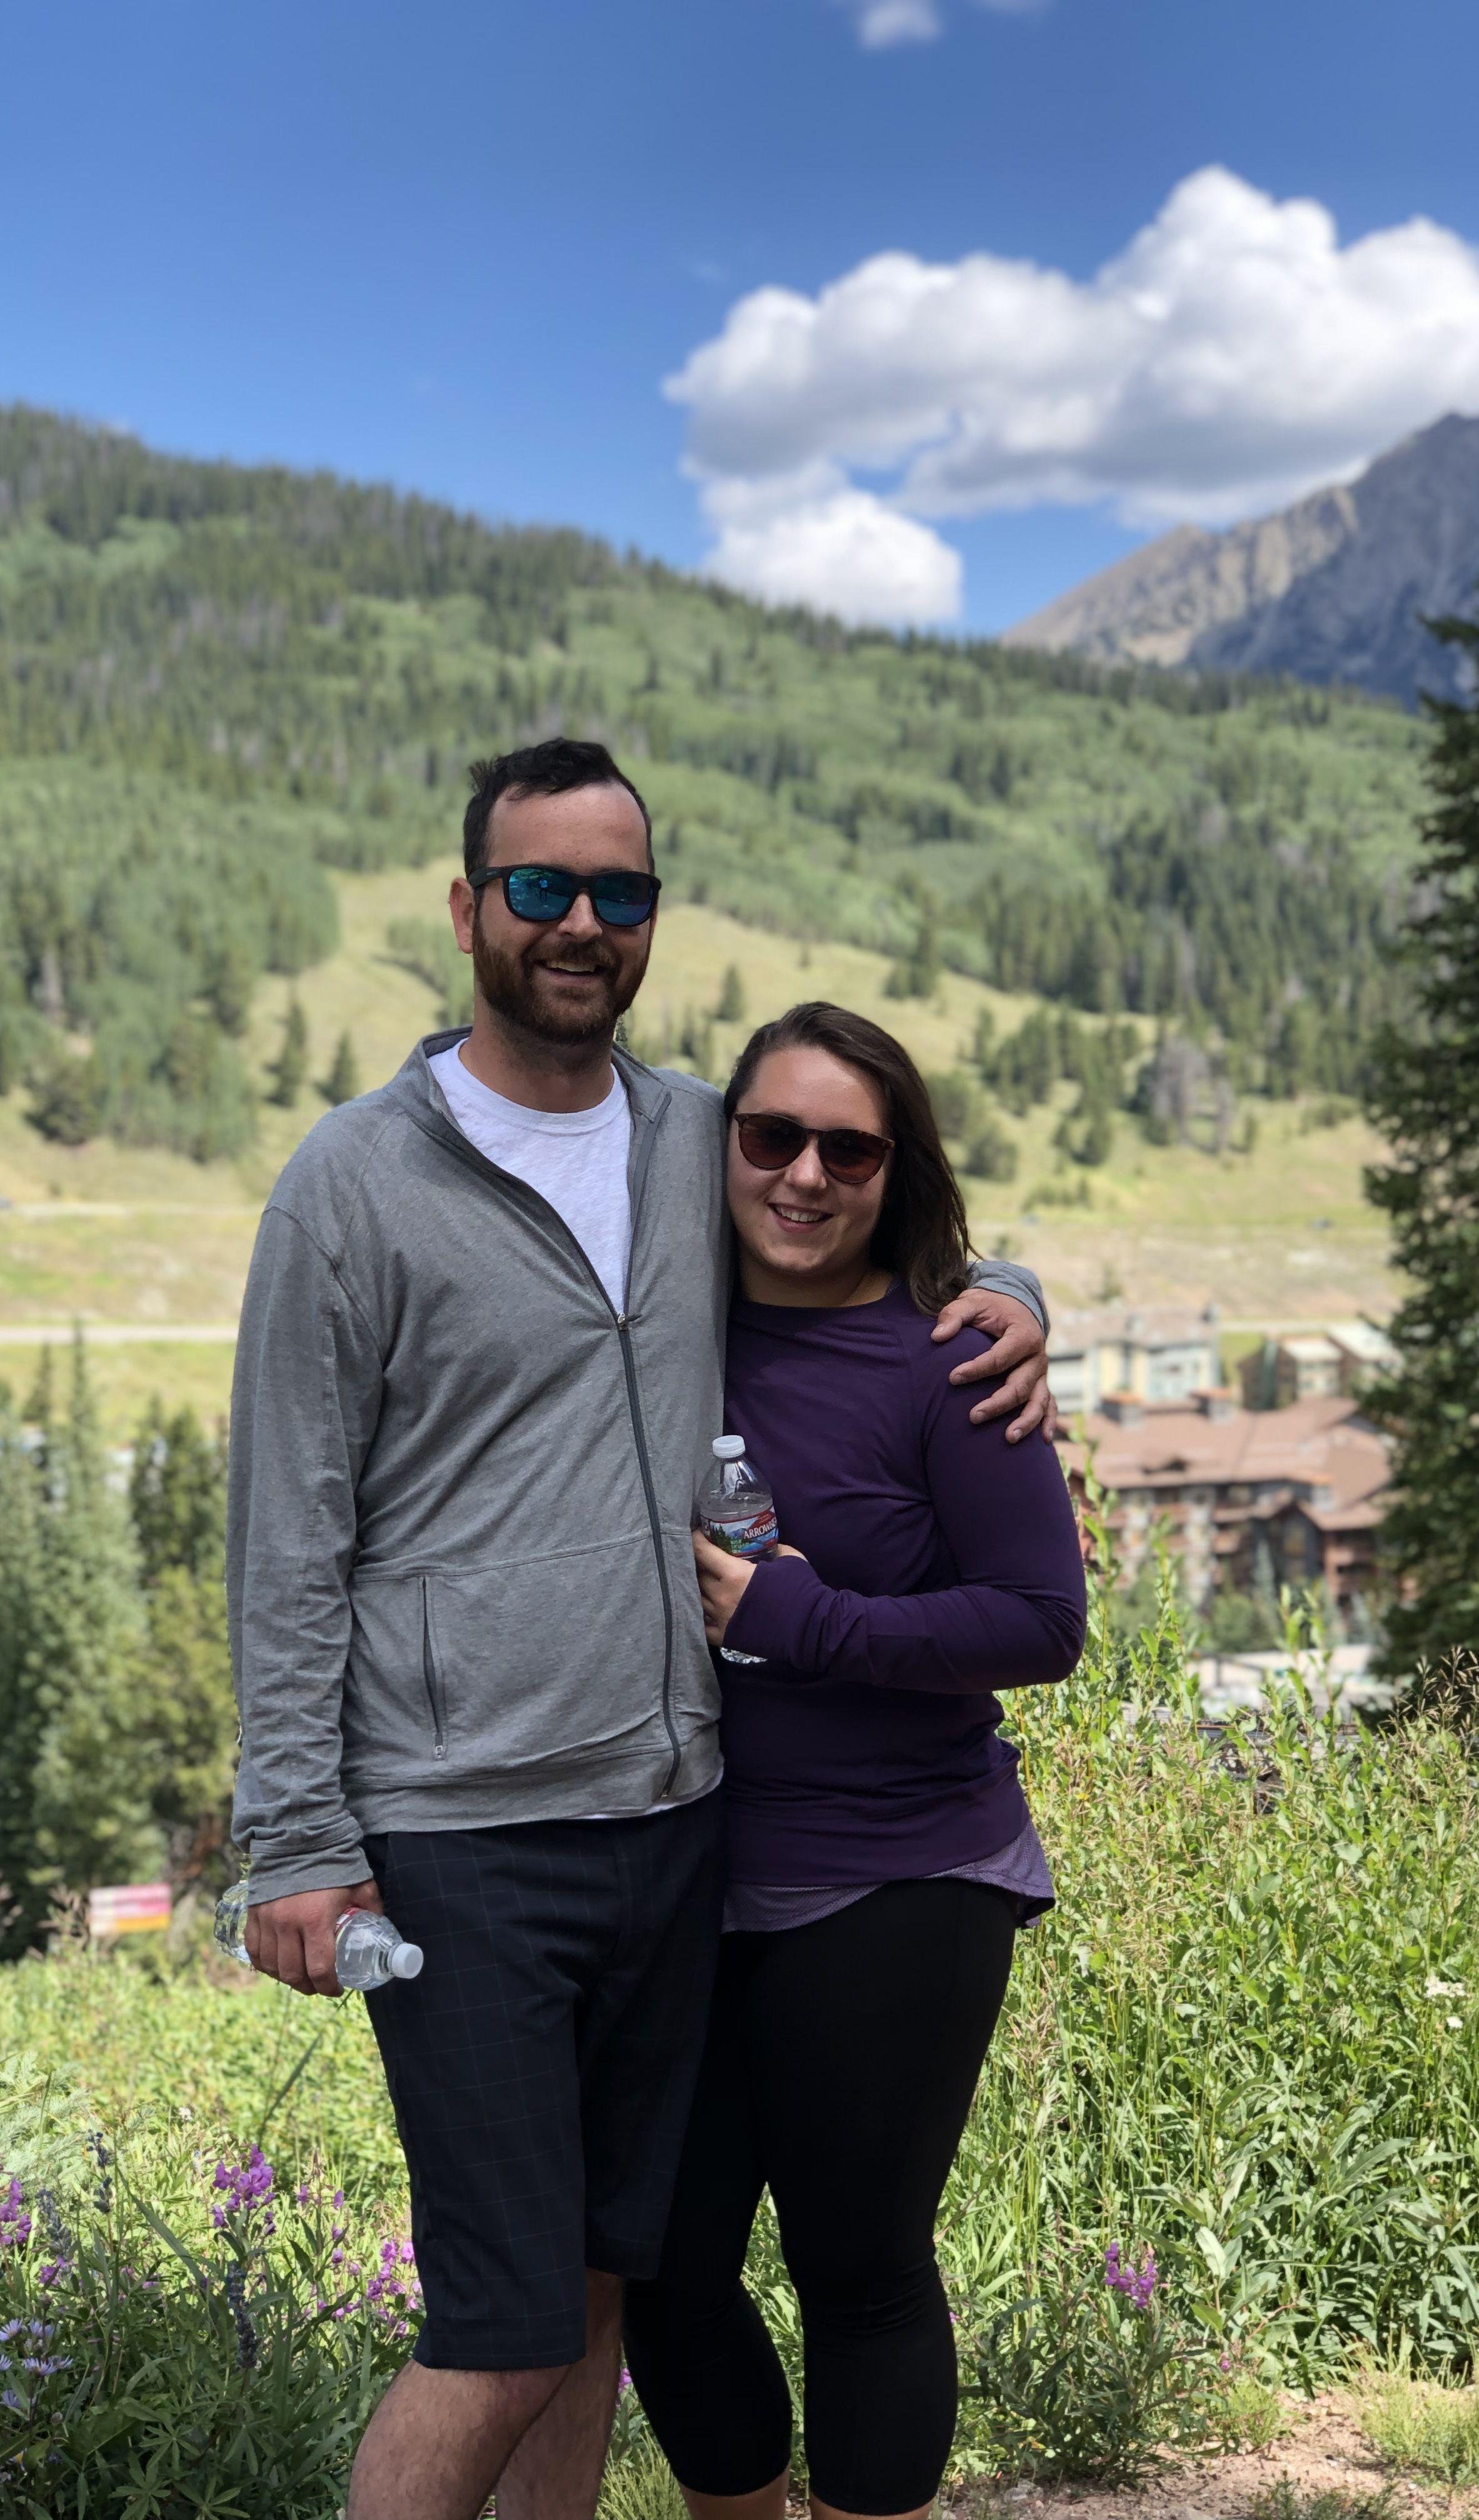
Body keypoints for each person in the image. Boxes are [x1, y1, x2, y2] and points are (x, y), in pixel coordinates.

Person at [225, 739, 1056, 2520]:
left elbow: (867, 1208)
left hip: (677, 1819)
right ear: (467, 911)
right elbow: (289, 1533)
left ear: (656, 922)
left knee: (608, 2297)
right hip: (462, 1830)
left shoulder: (699, 1138)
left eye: (622, 892)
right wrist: (294, 1839)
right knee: (508, 2326)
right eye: (541, 888)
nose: (581, 923)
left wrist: (1010, 1295)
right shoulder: (355, 1184)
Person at [619, 1002, 1090, 2520]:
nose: (806, 1174)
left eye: (851, 1147)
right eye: (772, 1137)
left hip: (901, 1870)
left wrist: (803, 1616)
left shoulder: (952, 1361)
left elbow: (1041, 1621)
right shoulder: (657, 1328)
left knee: (859, 2269)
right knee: (669, 2267)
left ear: (899, 1172)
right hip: (689, 1870)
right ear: (720, 1149)